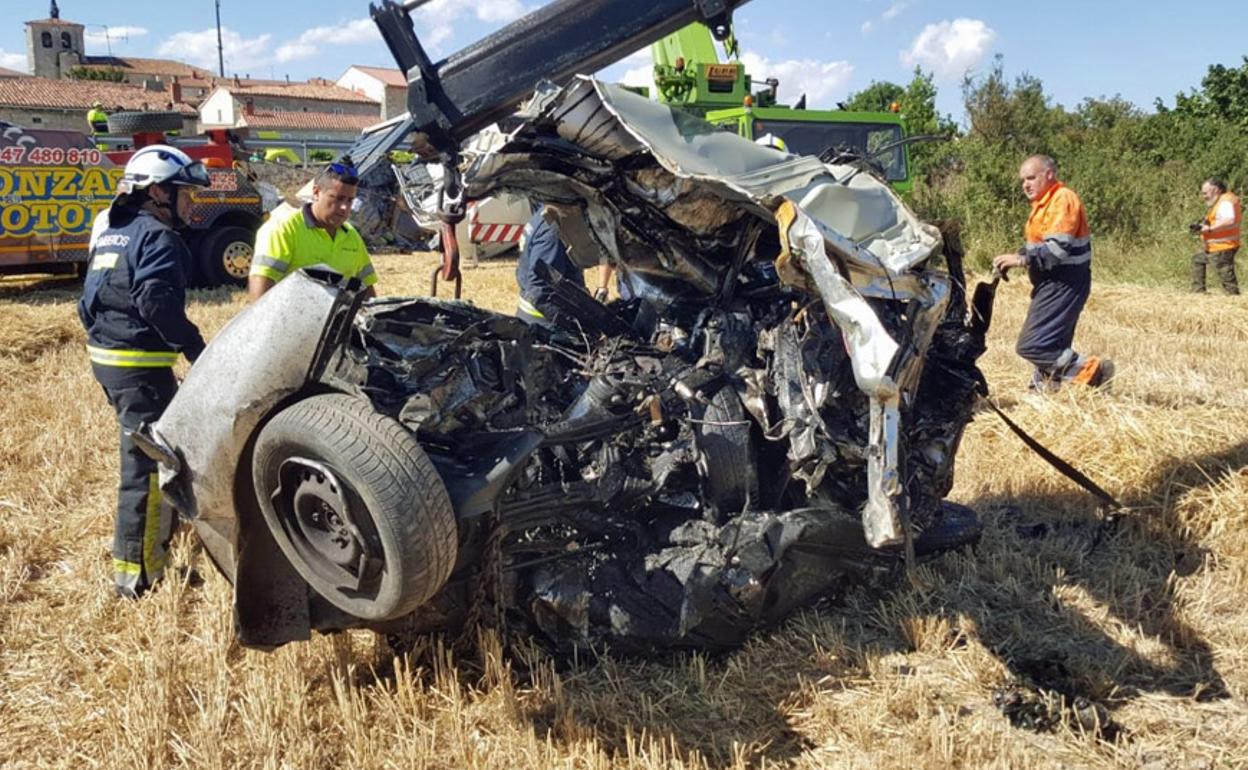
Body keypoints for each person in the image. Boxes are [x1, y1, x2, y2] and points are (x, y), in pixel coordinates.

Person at [76, 145, 210, 599]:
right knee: (149, 470)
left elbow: (87, 301)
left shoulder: (116, 229)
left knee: (157, 459)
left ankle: (152, 559)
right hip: (139, 368)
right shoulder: (158, 236)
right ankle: (138, 577)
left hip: (112, 361)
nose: (191, 204)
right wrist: (195, 348)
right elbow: (155, 301)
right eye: (185, 195)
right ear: (158, 191)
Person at [992, 154, 1113, 391]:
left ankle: (1095, 372)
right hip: (1054, 282)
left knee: (1033, 345)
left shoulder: (1062, 199)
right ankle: (1047, 387)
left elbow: (1056, 250)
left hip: (1064, 282)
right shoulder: (1043, 204)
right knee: (1053, 342)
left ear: (1049, 175)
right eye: (1022, 180)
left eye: (1030, 178)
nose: (1025, 184)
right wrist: (1016, 257)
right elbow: (1038, 246)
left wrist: (1020, 260)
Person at [248, 159, 376, 300]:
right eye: (338, 199)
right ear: (316, 192)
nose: (344, 207)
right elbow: (260, 292)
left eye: (350, 200)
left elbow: (368, 293)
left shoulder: (351, 236)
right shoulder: (283, 229)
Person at [516, 205, 612, 326]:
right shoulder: (554, 230)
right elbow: (540, 290)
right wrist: (578, 325)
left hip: (534, 318)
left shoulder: (544, 214)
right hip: (547, 324)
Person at [1191, 178, 1240, 295]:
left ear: (1215, 190)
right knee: (1197, 260)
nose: (1203, 196)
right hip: (1217, 246)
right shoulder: (1220, 201)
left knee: (1225, 274)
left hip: (1223, 246)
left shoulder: (1225, 202)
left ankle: (1233, 297)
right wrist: (1203, 225)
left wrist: (1210, 229)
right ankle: (1198, 292)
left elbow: (1229, 220)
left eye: (1205, 193)